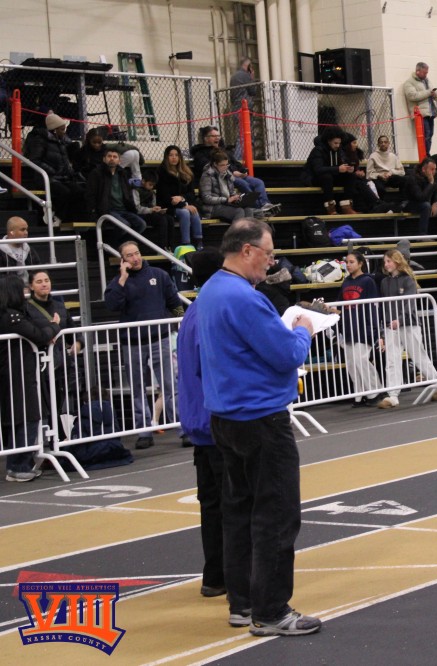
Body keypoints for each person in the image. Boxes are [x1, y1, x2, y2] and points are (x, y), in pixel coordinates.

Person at [196, 219, 321, 636]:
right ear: (247, 250)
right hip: (261, 418)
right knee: (276, 515)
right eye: (268, 254)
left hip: (226, 417)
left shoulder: (211, 290)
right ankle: (271, 611)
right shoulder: (244, 298)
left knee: (239, 511)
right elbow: (286, 355)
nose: (271, 262)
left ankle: (243, 602)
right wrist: (303, 331)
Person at [175, 248, 228, 598]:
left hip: (198, 420)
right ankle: (232, 577)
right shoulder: (208, 313)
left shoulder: (193, 312)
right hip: (216, 420)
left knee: (211, 505)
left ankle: (215, 575)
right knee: (231, 503)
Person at [103, 240, 184, 450]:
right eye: (129, 255)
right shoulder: (118, 282)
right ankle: (144, 431)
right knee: (137, 388)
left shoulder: (159, 275)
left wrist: (182, 323)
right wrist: (122, 278)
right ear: (122, 260)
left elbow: (174, 302)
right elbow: (111, 305)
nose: (135, 258)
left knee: (170, 386)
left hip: (160, 338)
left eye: (137, 253)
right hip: (132, 343)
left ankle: (183, 428)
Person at [0, 274, 58, 482]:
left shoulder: (13, 314)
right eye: (22, 289)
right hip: (17, 373)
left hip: (15, 372)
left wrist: (47, 330)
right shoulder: (12, 317)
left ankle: (17, 465)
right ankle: (18, 466)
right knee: (28, 418)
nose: (25, 293)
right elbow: (39, 335)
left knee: (20, 419)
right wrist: (55, 326)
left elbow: (36, 329)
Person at [378, 249, 437, 409]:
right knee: (391, 360)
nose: (386, 264)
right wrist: (384, 327)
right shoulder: (384, 282)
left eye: (389, 261)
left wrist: (400, 320)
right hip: (390, 325)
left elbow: (410, 303)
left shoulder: (408, 280)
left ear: (397, 261)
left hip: (409, 324)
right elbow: (383, 306)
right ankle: (393, 395)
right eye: (385, 262)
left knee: (418, 356)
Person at [26, 269, 81, 417]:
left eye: (46, 280)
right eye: (39, 282)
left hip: (60, 365)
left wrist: (77, 343)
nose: (44, 284)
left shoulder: (60, 306)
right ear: (31, 286)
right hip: (38, 366)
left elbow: (73, 331)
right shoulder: (26, 309)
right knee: (43, 407)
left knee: (57, 404)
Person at [337, 249, 387, 407]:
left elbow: (374, 306)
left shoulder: (368, 281)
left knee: (361, 360)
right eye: (347, 262)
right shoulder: (346, 282)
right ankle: (359, 395)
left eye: (352, 262)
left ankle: (376, 391)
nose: (348, 265)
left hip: (363, 326)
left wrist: (374, 329)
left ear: (360, 264)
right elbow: (340, 305)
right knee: (352, 363)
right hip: (348, 327)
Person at [190, 126, 276, 212]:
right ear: (206, 138)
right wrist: (232, 172)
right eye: (213, 136)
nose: (217, 138)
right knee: (243, 184)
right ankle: (257, 207)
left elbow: (236, 163)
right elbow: (209, 167)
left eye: (218, 136)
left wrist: (243, 171)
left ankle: (265, 204)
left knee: (258, 182)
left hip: (236, 175)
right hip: (222, 178)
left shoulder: (223, 150)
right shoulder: (200, 154)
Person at [22, 112, 85, 226]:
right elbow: (35, 160)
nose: (64, 131)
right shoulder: (40, 140)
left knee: (79, 191)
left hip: (63, 177)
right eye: (62, 129)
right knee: (64, 193)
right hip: (47, 178)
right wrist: (52, 171)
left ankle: (68, 218)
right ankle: (57, 216)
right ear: (54, 130)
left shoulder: (63, 141)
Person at [85, 145, 147, 243]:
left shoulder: (123, 174)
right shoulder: (96, 173)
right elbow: (90, 194)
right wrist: (93, 212)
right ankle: (111, 245)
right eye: (109, 156)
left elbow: (128, 193)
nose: (112, 159)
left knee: (141, 225)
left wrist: (132, 207)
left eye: (115, 157)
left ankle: (123, 244)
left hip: (123, 210)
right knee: (124, 225)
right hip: (108, 210)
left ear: (119, 161)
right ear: (104, 159)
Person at [157, 145, 204, 248]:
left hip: (183, 203)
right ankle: (186, 243)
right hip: (168, 206)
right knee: (185, 212)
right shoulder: (162, 172)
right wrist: (183, 205)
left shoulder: (186, 173)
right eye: (171, 155)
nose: (174, 158)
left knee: (194, 211)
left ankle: (199, 241)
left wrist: (182, 198)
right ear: (166, 157)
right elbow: (164, 196)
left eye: (176, 155)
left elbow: (191, 194)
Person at [200, 150, 260, 223]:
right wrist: (226, 200)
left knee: (248, 209)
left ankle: (248, 230)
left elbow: (232, 192)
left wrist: (237, 197)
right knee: (239, 211)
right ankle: (236, 230)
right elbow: (206, 198)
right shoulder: (207, 176)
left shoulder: (228, 174)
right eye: (222, 165)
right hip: (212, 207)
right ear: (215, 164)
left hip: (227, 204)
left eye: (227, 165)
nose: (225, 167)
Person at [404, 157, 437, 235]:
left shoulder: (433, 176)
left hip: (426, 202)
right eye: (432, 169)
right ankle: (422, 235)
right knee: (426, 206)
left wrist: (436, 203)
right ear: (423, 169)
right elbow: (421, 197)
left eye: (435, 169)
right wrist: (431, 183)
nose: (434, 171)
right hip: (412, 203)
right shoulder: (413, 178)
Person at [403, 62, 437, 155]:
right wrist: (429, 93)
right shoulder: (409, 82)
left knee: (430, 135)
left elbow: (432, 93)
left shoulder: (427, 81)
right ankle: (425, 155)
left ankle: (427, 153)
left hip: (431, 113)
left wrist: (435, 95)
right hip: (421, 114)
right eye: (424, 72)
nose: (426, 75)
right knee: (426, 135)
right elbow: (412, 96)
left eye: (427, 72)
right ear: (417, 71)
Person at [229, 57, 256, 161]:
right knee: (245, 137)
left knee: (241, 135)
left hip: (236, 108)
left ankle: (241, 159)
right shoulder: (245, 75)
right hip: (244, 109)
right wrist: (252, 77)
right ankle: (238, 160)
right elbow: (253, 91)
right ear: (248, 66)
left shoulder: (234, 76)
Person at [0, 217, 40, 284]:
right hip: (9, 288)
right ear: (11, 232)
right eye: (22, 230)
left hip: (29, 286)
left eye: (26, 229)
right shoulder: (1, 250)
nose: (26, 233)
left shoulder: (29, 249)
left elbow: (38, 270)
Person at [367, 134, 407, 199]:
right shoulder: (373, 156)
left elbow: (402, 172)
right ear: (378, 144)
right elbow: (369, 174)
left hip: (391, 177)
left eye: (385, 142)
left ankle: (403, 201)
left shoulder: (393, 156)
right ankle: (381, 203)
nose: (383, 144)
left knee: (405, 180)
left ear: (388, 144)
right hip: (379, 178)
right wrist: (380, 175)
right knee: (380, 188)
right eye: (381, 142)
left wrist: (391, 172)